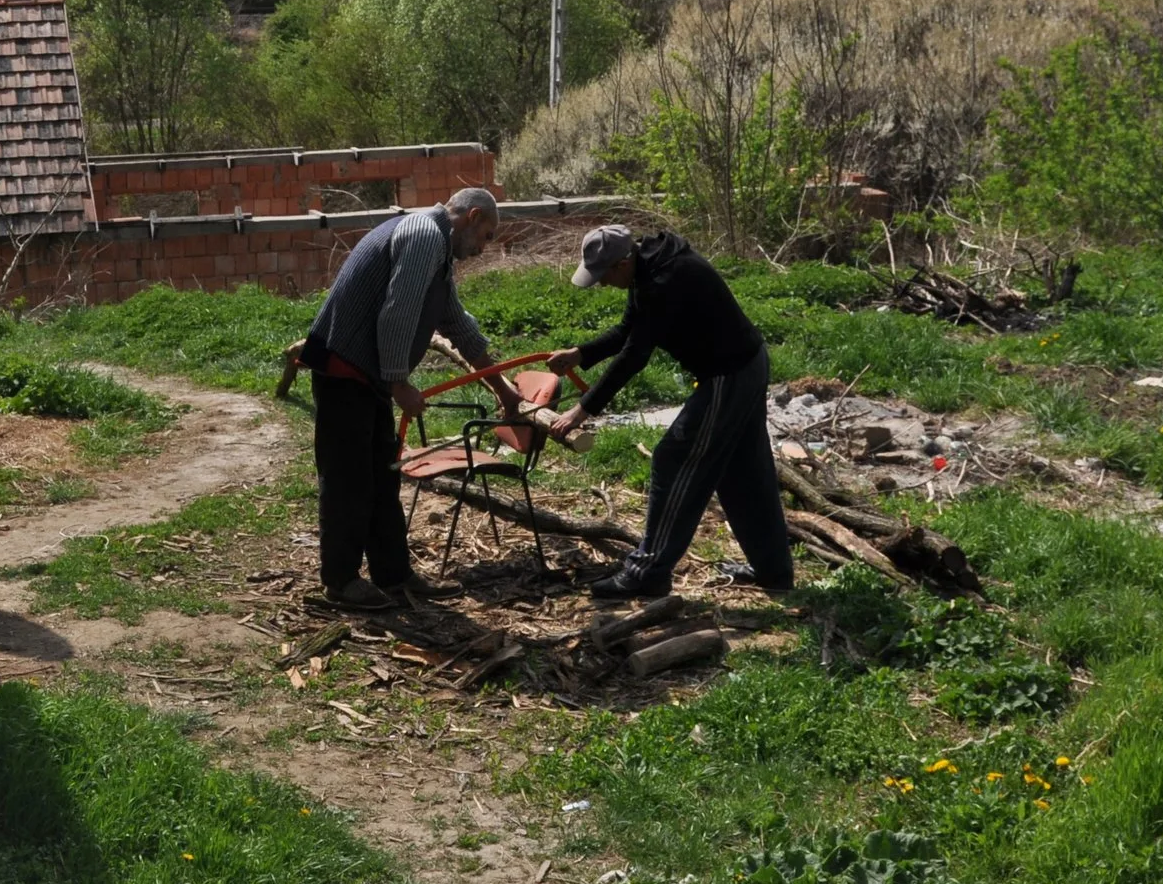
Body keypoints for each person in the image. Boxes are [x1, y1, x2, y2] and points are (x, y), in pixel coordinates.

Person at [298, 187, 523, 610]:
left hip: (368, 377)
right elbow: (397, 312)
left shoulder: (437, 251)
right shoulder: (424, 235)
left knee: (382, 479)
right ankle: (341, 582)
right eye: (487, 235)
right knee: (349, 480)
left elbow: (458, 324)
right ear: (473, 217)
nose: (484, 247)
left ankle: (394, 575)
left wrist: (503, 389)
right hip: (345, 372)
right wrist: (399, 383)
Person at [544, 224, 795, 600]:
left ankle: (648, 572)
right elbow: (629, 330)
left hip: (729, 373)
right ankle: (774, 572)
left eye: (604, 275)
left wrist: (582, 410)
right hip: (743, 365)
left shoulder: (664, 280)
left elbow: (635, 355)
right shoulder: (647, 266)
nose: (602, 284)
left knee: (673, 459)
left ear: (622, 262)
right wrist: (580, 354)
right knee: (743, 470)